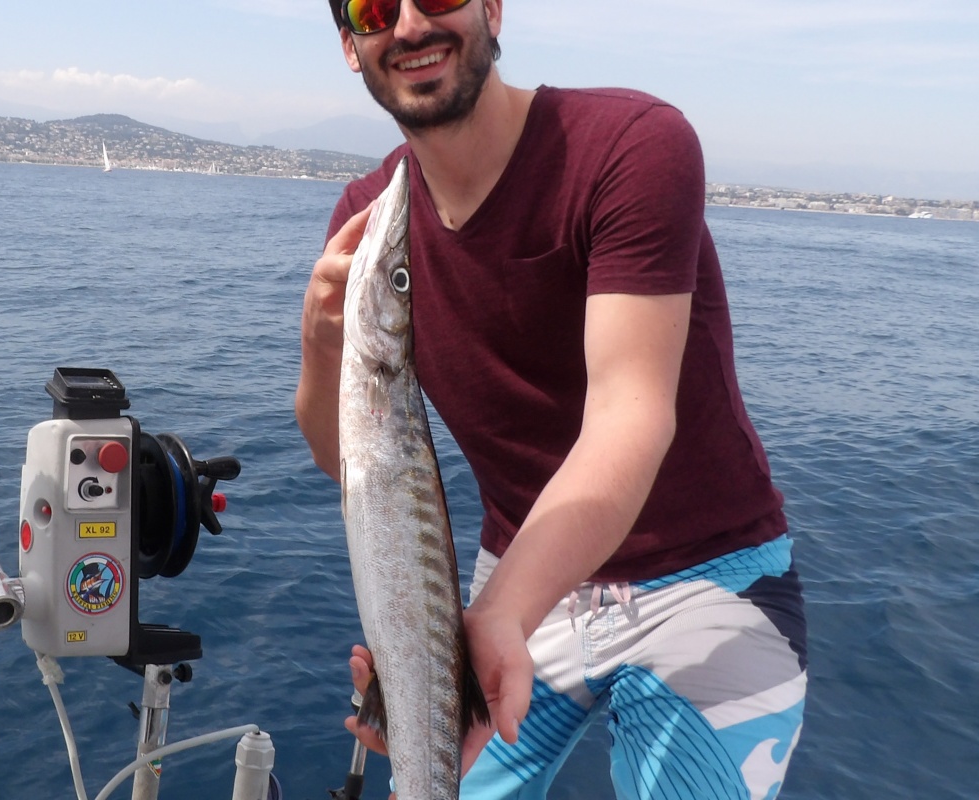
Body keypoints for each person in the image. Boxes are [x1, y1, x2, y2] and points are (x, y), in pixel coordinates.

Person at [297, 1, 807, 797]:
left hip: (705, 582)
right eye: (372, 7)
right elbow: (351, 461)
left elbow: (629, 417)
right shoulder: (372, 221)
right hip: (521, 578)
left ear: (492, 8)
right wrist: (322, 341)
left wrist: (496, 616)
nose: (407, 27)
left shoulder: (630, 146)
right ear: (349, 45)